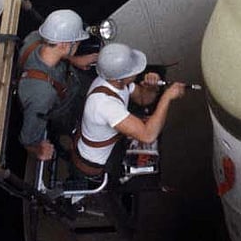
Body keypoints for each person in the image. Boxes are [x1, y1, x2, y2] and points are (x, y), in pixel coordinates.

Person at [72, 42, 185, 188]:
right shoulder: (104, 104)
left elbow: (143, 99)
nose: (138, 72)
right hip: (97, 165)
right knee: (145, 179)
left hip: (109, 148)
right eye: (133, 70)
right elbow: (148, 135)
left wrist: (152, 88)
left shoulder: (114, 82)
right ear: (120, 77)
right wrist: (167, 97)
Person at [16, 9, 99, 161]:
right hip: (63, 109)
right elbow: (27, 139)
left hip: (70, 81)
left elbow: (55, 51)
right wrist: (37, 150)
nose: (79, 45)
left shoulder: (34, 38)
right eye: (77, 42)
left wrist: (75, 60)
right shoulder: (42, 95)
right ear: (64, 45)